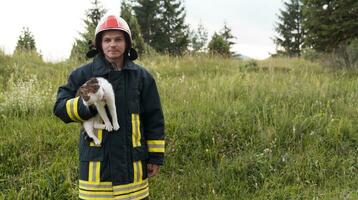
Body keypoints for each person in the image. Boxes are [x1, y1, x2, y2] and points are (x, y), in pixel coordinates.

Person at [53, 14, 165, 200]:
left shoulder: (142, 77)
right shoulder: (83, 74)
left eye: (118, 39)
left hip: (133, 174)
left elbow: (154, 118)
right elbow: (59, 107)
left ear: (127, 43)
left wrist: (155, 157)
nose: (112, 44)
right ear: (99, 44)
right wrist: (87, 104)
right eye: (107, 39)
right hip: (97, 175)